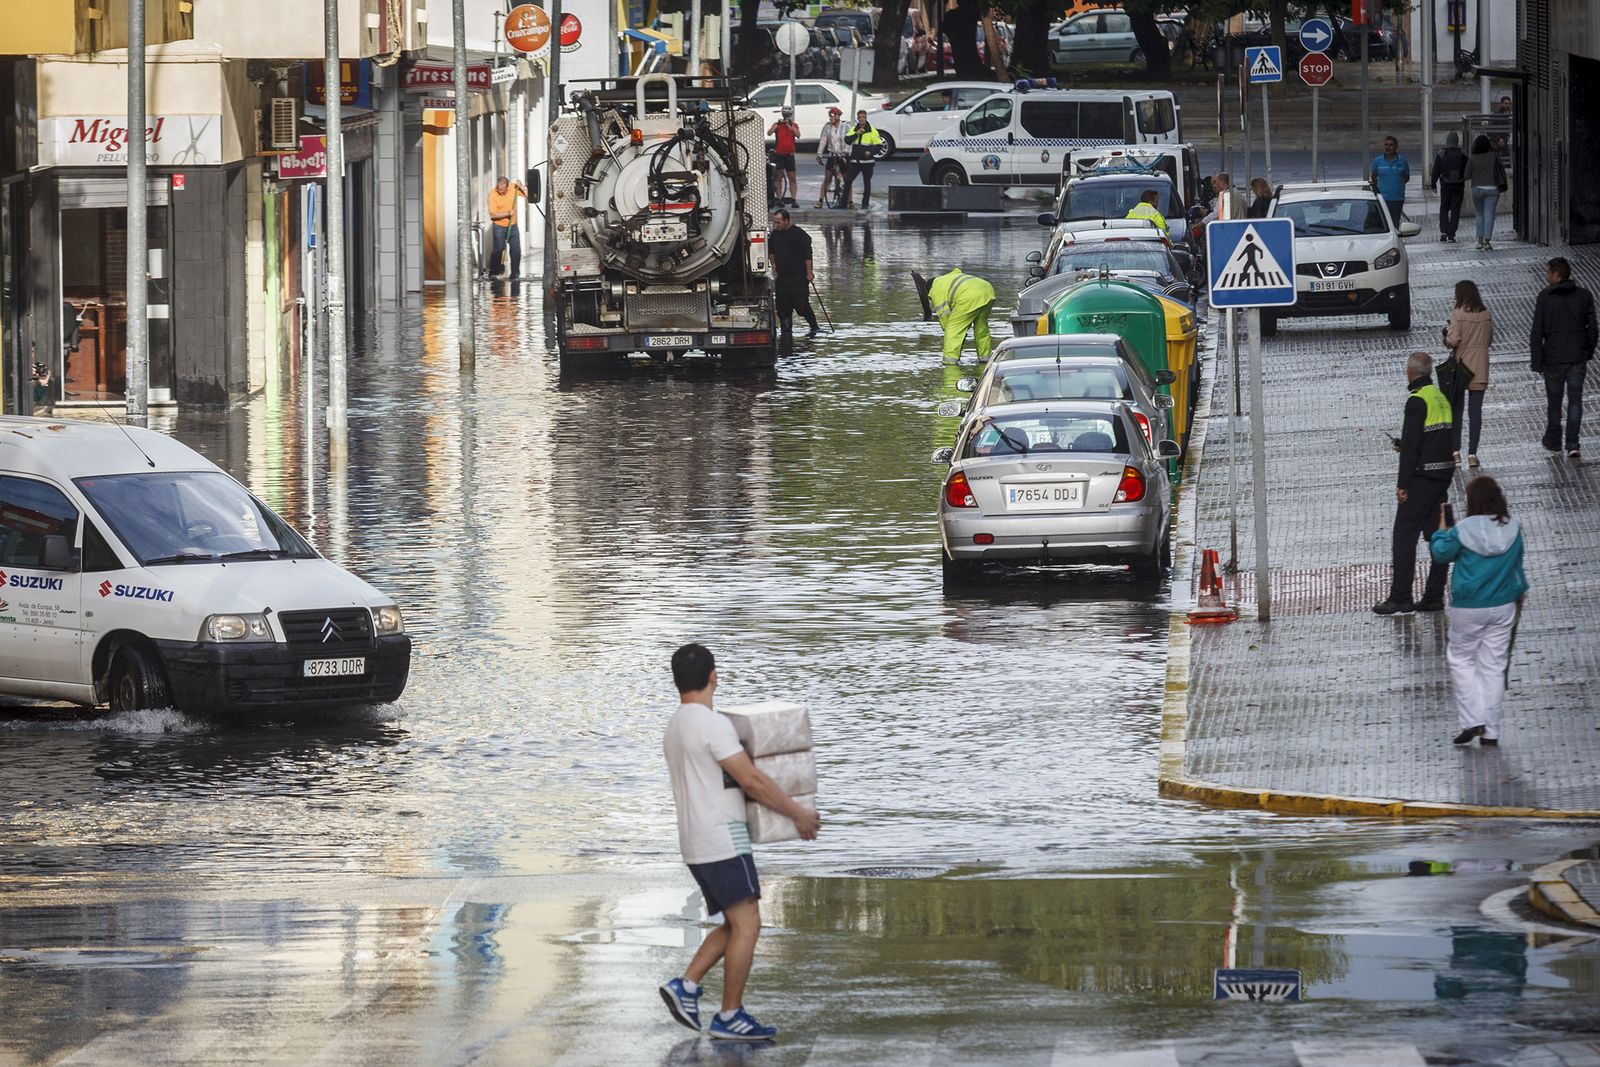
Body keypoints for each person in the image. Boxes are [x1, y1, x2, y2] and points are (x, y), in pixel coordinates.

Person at [658, 643, 820, 1042]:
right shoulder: (712, 724)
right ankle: (730, 1016)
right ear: (713, 676)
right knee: (749, 924)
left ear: (677, 681)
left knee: (735, 923)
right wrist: (797, 813)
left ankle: (688, 987)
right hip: (723, 840)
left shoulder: (676, 725)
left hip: (695, 842)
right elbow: (752, 780)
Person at [1429, 476, 1527, 748]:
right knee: (1493, 666)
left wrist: (1441, 530)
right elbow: (1518, 564)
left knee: (1461, 659)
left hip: (1469, 606)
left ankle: (1472, 719)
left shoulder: (1464, 529)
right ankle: (1491, 731)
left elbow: (1441, 554)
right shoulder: (1514, 528)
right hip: (1504, 604)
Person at [1373, 351, 1454, 616]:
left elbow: (1411, 447)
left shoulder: (1417, 401)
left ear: (1410, 373)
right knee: (1438, 537)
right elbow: (1437, 438)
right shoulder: (1440, 398)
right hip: (1442, 477)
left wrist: (1403, 484)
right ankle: (1433, 596)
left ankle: (1401, 596)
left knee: (1403, 537)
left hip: (1421, 478)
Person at [1530, 256, 1598, 458]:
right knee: (1575, 401)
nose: (1546, 276)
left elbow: (1537, 331)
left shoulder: (1545, 297)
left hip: (1553, 358)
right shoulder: (1584, 296)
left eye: (1548, 272)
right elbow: (1593, 328)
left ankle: (1554, 441)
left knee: (1554, 402)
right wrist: (1587, 351)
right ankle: (1573, 443)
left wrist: (1537, 360)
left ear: (1556, 274)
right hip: (1577, 357)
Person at [1444, 280, 1494, 467]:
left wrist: (1446, 335)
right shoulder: (1486, 314)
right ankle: (1472, 454)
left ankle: (1455, 451)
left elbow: (1454, 340)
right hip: (1480, 366)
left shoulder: (1458, 314)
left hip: (1461, 367)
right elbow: (1489, 339)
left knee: (1456, 410)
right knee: (1475, 412)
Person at [768, 209, 819, 342]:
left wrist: (809, 272)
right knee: (783, 307)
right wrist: (773, 266)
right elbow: (771, 251)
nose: (776, 225)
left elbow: (808, 255)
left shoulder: (799, 235)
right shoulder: (774, 235)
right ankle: (786, 332)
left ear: (786, 221)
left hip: (798, 277)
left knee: (801, 304)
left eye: (778, 223)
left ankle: (814, 327)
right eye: (775, 223)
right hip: (782, 278)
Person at [928, 267, 995, 362]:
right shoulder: (948, 279)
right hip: (988, 290)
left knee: (952, 330)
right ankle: (985, 358)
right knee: (981, 328)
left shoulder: (935, 289)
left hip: (970, 296)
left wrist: (952, 330)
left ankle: (950, 362)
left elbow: (944, 316)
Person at [1465, 134, 1506, 250]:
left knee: (1479, 214)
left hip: (1477, 189)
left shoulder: (1472, 157)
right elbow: (1500, 170)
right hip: (1492, 189)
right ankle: (1487, 241)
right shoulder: (1493, 156)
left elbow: (1466, 175)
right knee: (1489, 214)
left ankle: (1479, 241)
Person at [1429, 132, 1469, 242]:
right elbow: (1468, 168)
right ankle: (1452, 234)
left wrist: (1433, 184)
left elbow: (1436, 169)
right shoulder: (1463, 153)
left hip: (1446, 185)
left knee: (1444, 208)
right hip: (1459, 185)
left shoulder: (1442, 153)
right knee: (1456, 209)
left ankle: (1443, 232)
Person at [486, 176, 526, 279]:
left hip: (513, 225)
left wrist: (522, 186)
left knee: (516, 250)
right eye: (499, 189)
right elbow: (493, 215)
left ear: (508, 187)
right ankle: (493, 273)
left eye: (503, 189)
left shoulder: (513, 188)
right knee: (498, 249)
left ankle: (515, 273)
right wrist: (507, 213)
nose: (501, 191)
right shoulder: (492, 194)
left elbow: (528, 197)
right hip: (499, 226)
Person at [843, 110, 883, 210]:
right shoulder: (854, 129)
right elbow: (847, 140)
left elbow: (879, 146)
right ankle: (843, 203)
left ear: (866, 118)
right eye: (860, 117)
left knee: (867, 183)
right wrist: (857, 133)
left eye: (863, 117)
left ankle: (865, 204)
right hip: (855, 161)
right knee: (848, 181)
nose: (862, 119)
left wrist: (870, 152)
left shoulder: (872, 131)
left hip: (867, 162)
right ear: (858, 118)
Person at [1370, 135, 1411, 226]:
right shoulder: (1377, 161)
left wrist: (1397, 185)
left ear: (1396, 146)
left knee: (1395, 223)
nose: (1388, 147)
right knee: (1383, 223)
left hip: (1397, 198)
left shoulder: (1403, 161)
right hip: (1383, 199)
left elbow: (1406, 177)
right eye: (1386, 145)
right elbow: (1373, 177)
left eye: (1391, 145)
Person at [815, 107, 848, 208]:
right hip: (832, 155)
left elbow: (849, 141)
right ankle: (820, 200)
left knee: (846, 179)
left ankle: (850, 201)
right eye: (830, 116)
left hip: (843, 156)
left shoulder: (845, 127)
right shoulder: (827, 127)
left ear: (837, 117)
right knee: (828, 178)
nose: (830, 118)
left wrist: (846, 152)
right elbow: (823, 141)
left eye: (832, 116)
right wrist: (819, 154)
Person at [767, 107, 800, 209]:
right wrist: (778, 124)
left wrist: (789, 125)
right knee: (778, 177)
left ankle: (794, 199)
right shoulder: (778, 125)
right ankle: (779, 198)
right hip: (779, 155)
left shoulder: (794, 125)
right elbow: (769, 132)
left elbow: (798, 135)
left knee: (792, 178)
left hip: (790, 155)